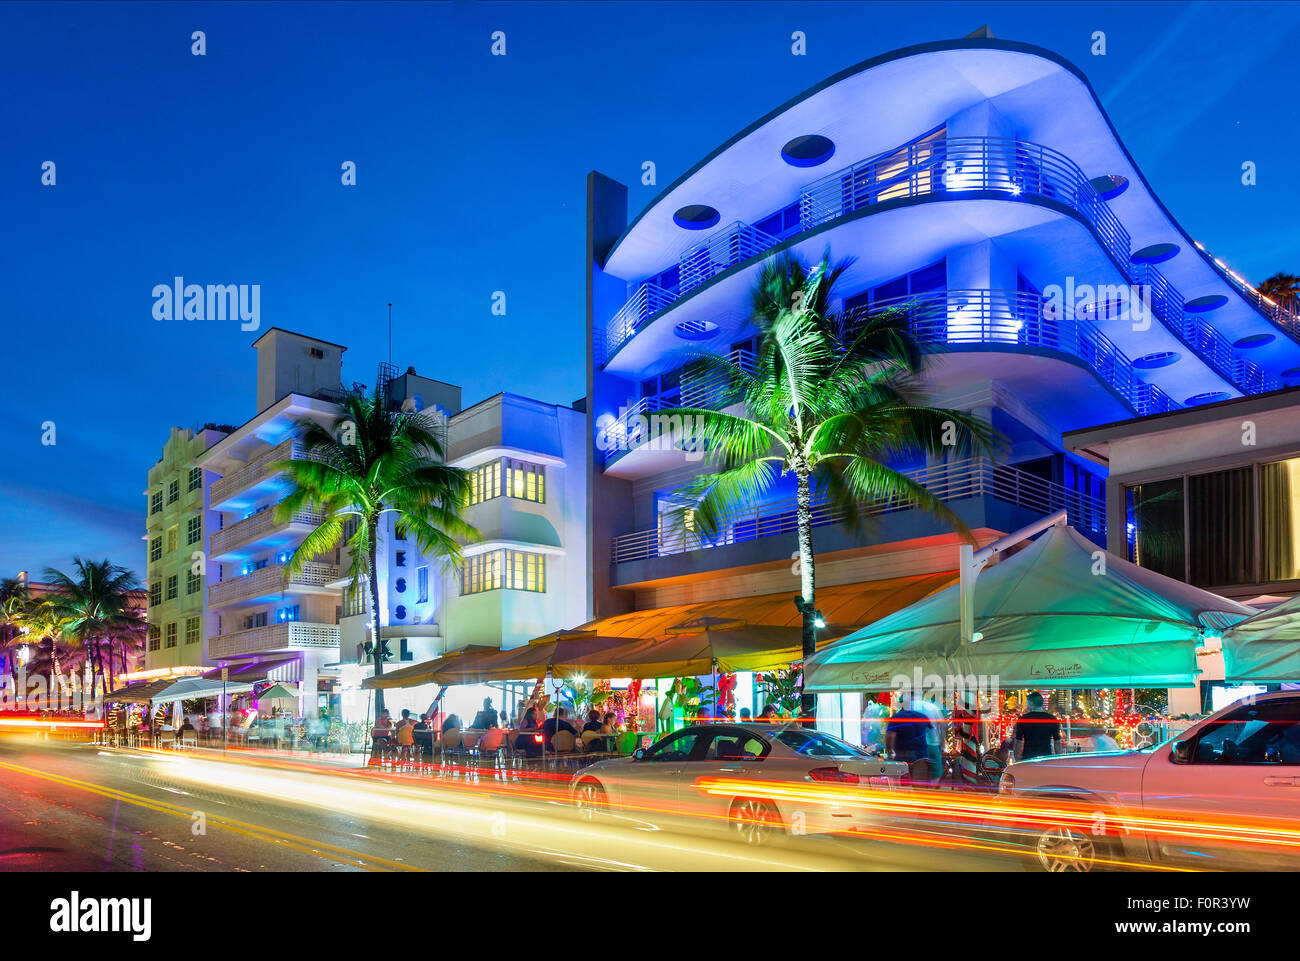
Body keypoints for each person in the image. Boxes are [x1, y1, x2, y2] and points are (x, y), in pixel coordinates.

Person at [886, 696, 936, 782]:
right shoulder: (922, 716)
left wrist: (889, 750)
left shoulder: (896, 717)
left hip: (903, 757)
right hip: (921, 758)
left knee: (901, 785)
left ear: (900, 704)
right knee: (921, 785)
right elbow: (932, 735)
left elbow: (890, 736)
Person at [1014, 692, 1063, 760]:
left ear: (1031, 703)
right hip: (1046, 756)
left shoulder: (1023, 719)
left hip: (1028, 756)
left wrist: (1016, 757)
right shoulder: (1052, 719)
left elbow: (1018, 741)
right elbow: (1057, 742)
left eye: (1027, 703)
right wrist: (1059, 759)